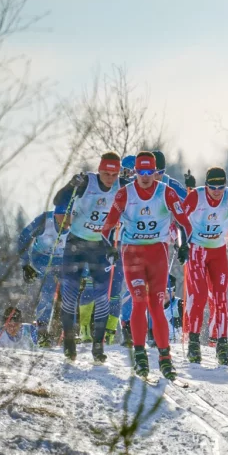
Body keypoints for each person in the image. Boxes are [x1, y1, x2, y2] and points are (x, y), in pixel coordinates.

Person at [101, 151, 193, 381]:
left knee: (156, 306)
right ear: (135, 172)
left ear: (155, 172)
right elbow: (107, 227)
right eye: (140, 172)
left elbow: (185, 224)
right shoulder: (125, 193)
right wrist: (110, 248)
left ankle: (165, 358)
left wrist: (183, 246)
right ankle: (140, 354)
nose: (144, 176)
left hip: (158, 255)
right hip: (133, 254)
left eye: (149, 171)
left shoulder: (166, 192)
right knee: (139, 300)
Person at [53, 152, 123, 362]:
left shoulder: (122, 186)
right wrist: (70, 186)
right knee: (70, 293)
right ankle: (69, 343)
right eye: (106, 173)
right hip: (76, 243)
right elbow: (58, 200)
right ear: (99, 170)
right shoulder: (86, 182)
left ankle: (98, 348)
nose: (110, 178)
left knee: (102, 296)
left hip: (101, 246)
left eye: (114, 174)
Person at [181, 166, 228, 365]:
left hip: (218, 251)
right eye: (212, 187)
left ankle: (222, 346)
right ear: (206, 185)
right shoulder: (196, 196)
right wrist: (181, 243)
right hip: (197, 250)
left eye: (220, 187)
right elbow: (179, 219)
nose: (216, 191)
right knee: (199, 296)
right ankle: (194, 343)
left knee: (221, 298)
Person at [16, 204, 71, 346]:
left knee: (70, 292)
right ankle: (42, 331)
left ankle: (70, 331)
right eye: (63, 217)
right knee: (48, 291)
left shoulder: (77, 223)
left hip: (64, 261)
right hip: (41, 259)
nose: (67, 222)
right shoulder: (44, 220)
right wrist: (25, 264)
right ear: (56, 214)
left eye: (70, 217)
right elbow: (24, 237)